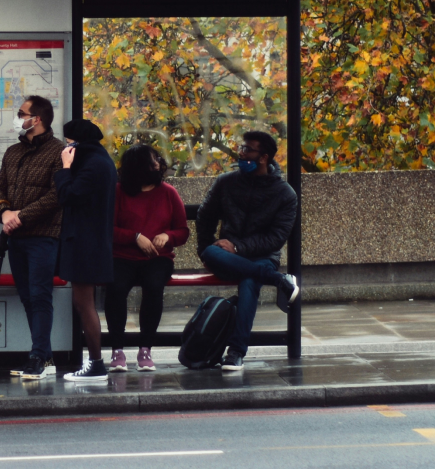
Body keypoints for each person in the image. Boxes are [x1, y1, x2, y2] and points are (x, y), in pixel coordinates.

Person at [194, 130, 300, 373]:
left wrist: (239, 247)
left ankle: (235, 353)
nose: (241, 154)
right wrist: (206, 249)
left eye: (247, 150)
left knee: (250, 280)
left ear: (263, 158)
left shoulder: (285, 193)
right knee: (210, 252)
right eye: (241, 148)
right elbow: (205, 217)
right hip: (225, 255)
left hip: (262, 257)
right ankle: (279, 281)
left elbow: (276, 238)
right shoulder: (226, 181)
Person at [0, 94, 65, 381]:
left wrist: (21, 216)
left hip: (44, 237)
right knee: (26, 297)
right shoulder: (13, 152)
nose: (18, 117)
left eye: (22, 113)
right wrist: (4, 213)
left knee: (40, 295)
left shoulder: (59, 152)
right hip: (16, 239)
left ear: (38, 119)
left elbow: (56, 196)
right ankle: (44, 354)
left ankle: (37, 356)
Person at [106, 144, 188, 372]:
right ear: (141, 165)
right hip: (122, 255)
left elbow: (183, 232)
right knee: (115, 288)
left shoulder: (169, 192)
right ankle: (117, 350)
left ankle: (145, 349)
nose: (159, 163)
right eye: (154, 159)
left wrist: (167, 236)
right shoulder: (118, 192)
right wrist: (135, 237)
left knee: (154, 286)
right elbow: (107, 229)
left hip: (157, 258)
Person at [55, 118, 117, 382]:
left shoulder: (93, 166)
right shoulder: (101, 161)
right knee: (83, 303)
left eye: (69, 141)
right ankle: (95, 363)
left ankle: (95, 364)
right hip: (89, 242)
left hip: (85, 244)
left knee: (84, 304)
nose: (67, 146)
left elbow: (68, 195)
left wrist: (65, 168)